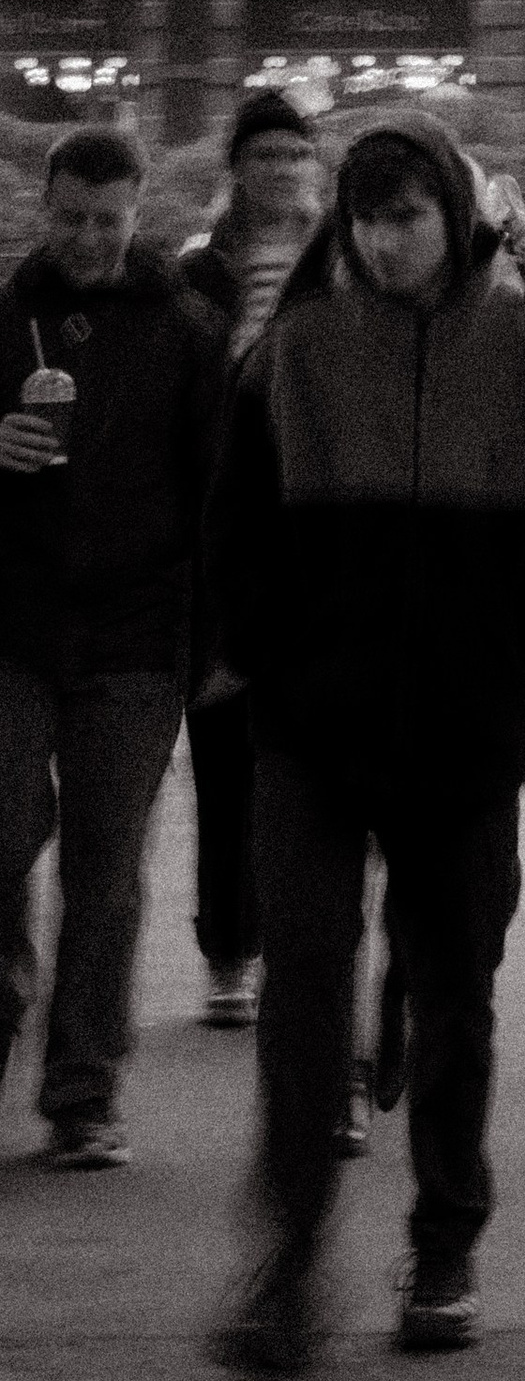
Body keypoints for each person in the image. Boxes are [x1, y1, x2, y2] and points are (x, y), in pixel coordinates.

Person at [205, 108, 525, 1369]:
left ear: (455, 213)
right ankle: (285, 1264)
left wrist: (521, 659)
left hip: (462, 740)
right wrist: (267, 662)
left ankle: (444, 1249)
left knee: (453, 1001)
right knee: (304, 1003)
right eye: (371, 218)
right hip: (312, 739)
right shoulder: (295, 354)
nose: (391, 242)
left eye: (411, 216)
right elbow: (234, 539)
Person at [0, 122, 225, 1170]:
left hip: (138, 637)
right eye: (72, 217)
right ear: (46, 210)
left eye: (109, 218)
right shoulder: (7, 317)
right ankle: (8, 999)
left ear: (140, 214)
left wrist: (216, 638)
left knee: (105, 872)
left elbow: (219, 495)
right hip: (16, 624)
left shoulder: (185, 328)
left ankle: (84, 1093)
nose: (89, 238)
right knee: (1, 836)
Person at [178, 93, 331, 1033]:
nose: (282, 168)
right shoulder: (200, 270)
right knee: (226, 754)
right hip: (226, 533)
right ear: (237, 165)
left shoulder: (342, 260)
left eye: (297, 152)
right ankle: (230, 946)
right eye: (266, 152)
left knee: (309, 760)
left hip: (316, 534)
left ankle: (305, 944)